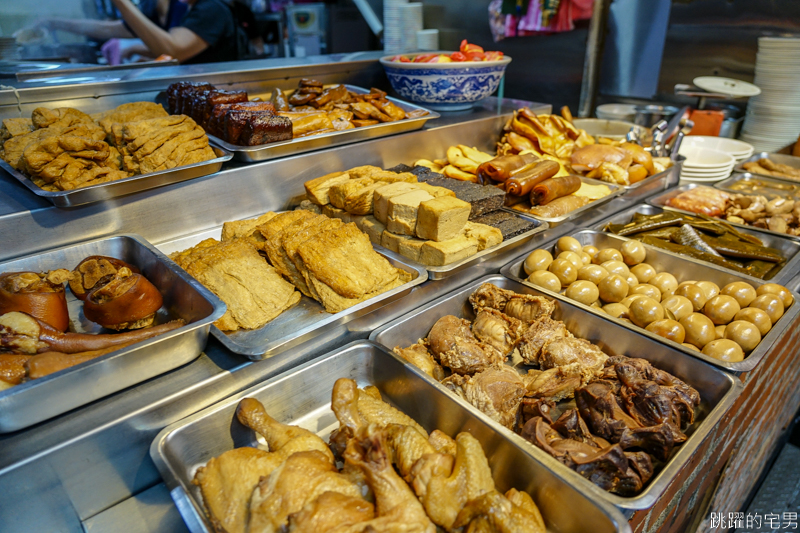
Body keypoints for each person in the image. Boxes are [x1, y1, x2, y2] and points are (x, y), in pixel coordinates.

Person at [110, 0, 245, 64]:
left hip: (215, 96)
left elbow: (174, 50)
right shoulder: (190, 8)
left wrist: (121, 2)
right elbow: (192, 52)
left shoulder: (211, 8)